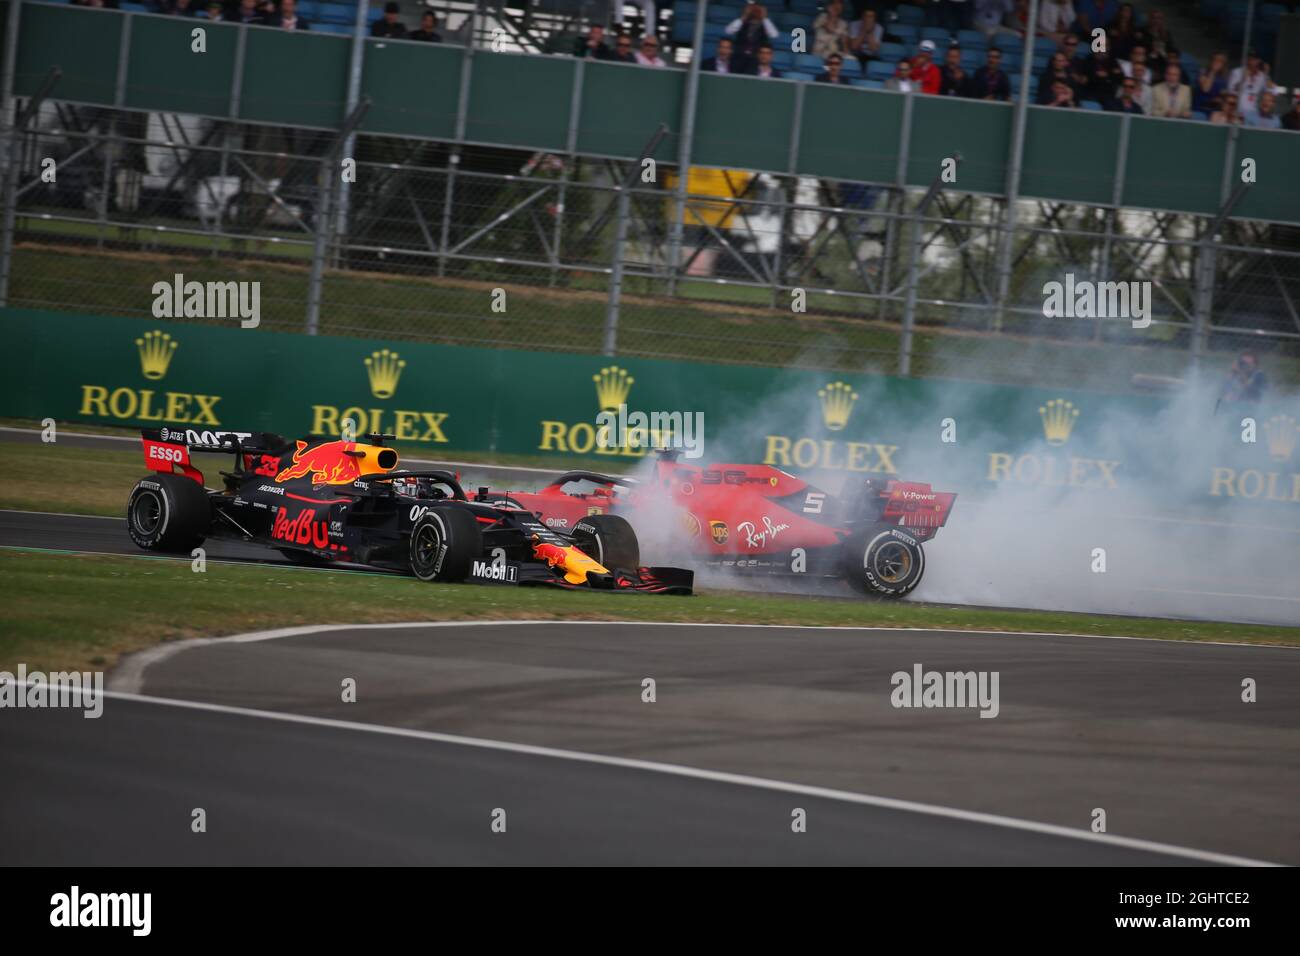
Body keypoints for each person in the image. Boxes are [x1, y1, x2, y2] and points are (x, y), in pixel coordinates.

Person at [725, 3, 779, 74]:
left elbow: (774, 35)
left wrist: (764, 18)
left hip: (755, 62)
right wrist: (744, 16)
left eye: (758, 10)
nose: (755, 12)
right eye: (753, 10)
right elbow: (728, 31)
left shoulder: (765, 25)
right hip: (738, 59)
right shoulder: (741, 23)